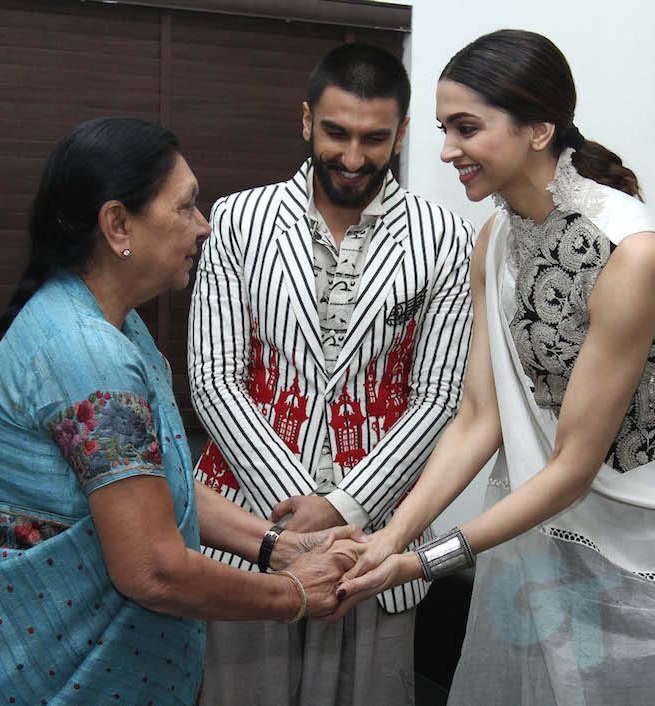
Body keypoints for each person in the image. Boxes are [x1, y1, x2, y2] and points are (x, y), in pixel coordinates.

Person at [330, 30, 655, 705]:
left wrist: (425, 560)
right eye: (443, 129)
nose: (447, 149)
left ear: (539, 129)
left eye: (466, 128)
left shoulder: (632, 252)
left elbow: (573, 463)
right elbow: (478, 417)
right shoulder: (495, 238)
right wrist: (390, 536)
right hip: (568, 527)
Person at [0, 117, 362, 706]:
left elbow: (150, 483)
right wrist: (293, 594)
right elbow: (152, 569)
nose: (204, 226)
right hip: (43, 676)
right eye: (186, 206)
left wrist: (276, 545)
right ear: (118, 223)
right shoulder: (86, 350)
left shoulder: (112, 325)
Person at [188, 44, 475, 705]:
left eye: (374, 138)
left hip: (375, 542)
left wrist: (342, 509)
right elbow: (214, 379)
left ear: (402, 133)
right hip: (249, 532)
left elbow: (438, 398)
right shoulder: (236, 220)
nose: (352, 156)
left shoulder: (446, 238)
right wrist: (300, 520)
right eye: (336, 133)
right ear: (306, 120)